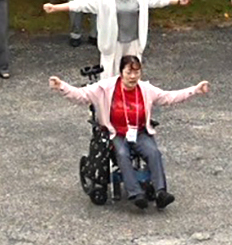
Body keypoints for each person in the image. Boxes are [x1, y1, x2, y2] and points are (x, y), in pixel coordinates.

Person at [49, 56, 209, 210]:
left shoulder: (146, 89)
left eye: (137, 73)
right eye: (129, 73)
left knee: (154, 152)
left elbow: (169, 97)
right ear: (121, 73)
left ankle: (161, 192)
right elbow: (81, 95)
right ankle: (135, 193)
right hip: (116, 133)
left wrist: (194, 90)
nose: (133, 77)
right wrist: (61, 86)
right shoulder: (105, 88)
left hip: (139, 131)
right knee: (122, 153)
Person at [42, 0, 188, 80]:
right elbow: (80, 4)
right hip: (113, 44)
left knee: (131, 75)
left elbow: (157, 0)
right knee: (111, 78)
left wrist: (177, 0)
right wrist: (55, 8)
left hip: (134, 42)